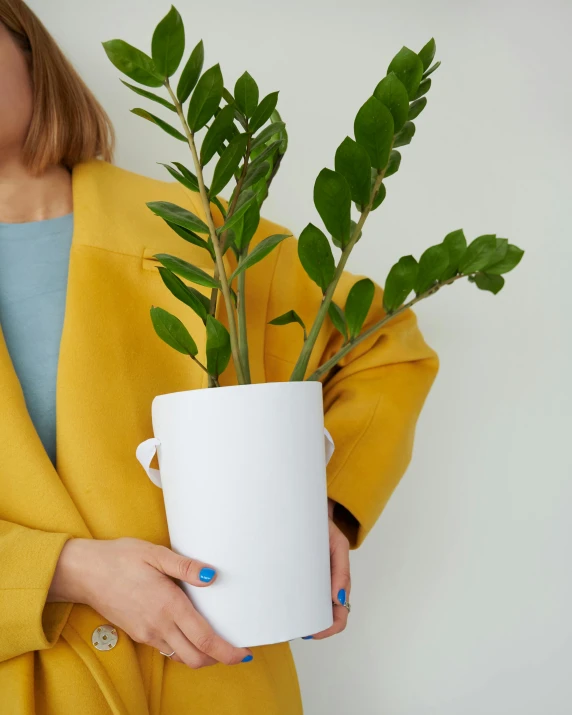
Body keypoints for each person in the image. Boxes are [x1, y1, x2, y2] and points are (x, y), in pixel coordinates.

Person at [0, 1, 439, 713]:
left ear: (27, 48)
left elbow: (383, 345)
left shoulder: (199, 238)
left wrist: (324, 509)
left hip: (212, 673)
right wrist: (65, 571)